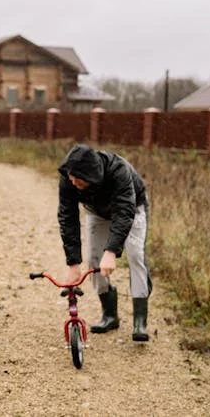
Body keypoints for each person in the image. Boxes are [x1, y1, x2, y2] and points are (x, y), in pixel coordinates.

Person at [57, 143, 152, 342]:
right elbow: (68, 217)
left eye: (78, 178)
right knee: (94, 260)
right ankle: (110, 315)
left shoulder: (118, 171)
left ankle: (140, 321)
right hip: (97, 212)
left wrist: (111, 252)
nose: (72, 182)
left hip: (132, 209)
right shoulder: (69, 178)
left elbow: (124, 211)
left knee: (135, 256)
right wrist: (73, 263)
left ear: (91, 175)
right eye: (70, 177)